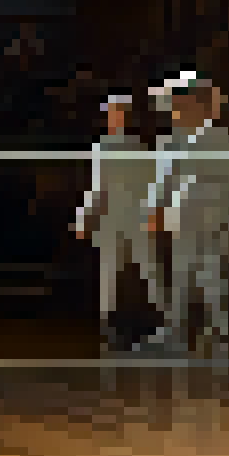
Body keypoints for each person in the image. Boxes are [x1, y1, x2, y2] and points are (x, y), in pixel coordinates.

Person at [144, 71, 229, 358]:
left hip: (204, 212)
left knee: (201, 270)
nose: (174, 109)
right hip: (185, 212)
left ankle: (205, 329)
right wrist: (156, 207)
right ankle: (187, 329)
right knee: (190, 270)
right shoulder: (173, 140)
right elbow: (163, 180)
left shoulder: (217, 137)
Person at [74, 93, 163, 351]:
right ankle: (117, 327)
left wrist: (85, 218)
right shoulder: (114, 147)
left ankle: (145, 325)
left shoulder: (132, 147)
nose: (116, 117)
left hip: (129, 216)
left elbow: (103, 188)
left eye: (118, 112)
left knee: (140, 270)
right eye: (114, 112)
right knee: (119, 272)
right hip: (118, 217)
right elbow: (98, 188)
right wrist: (86, 217)